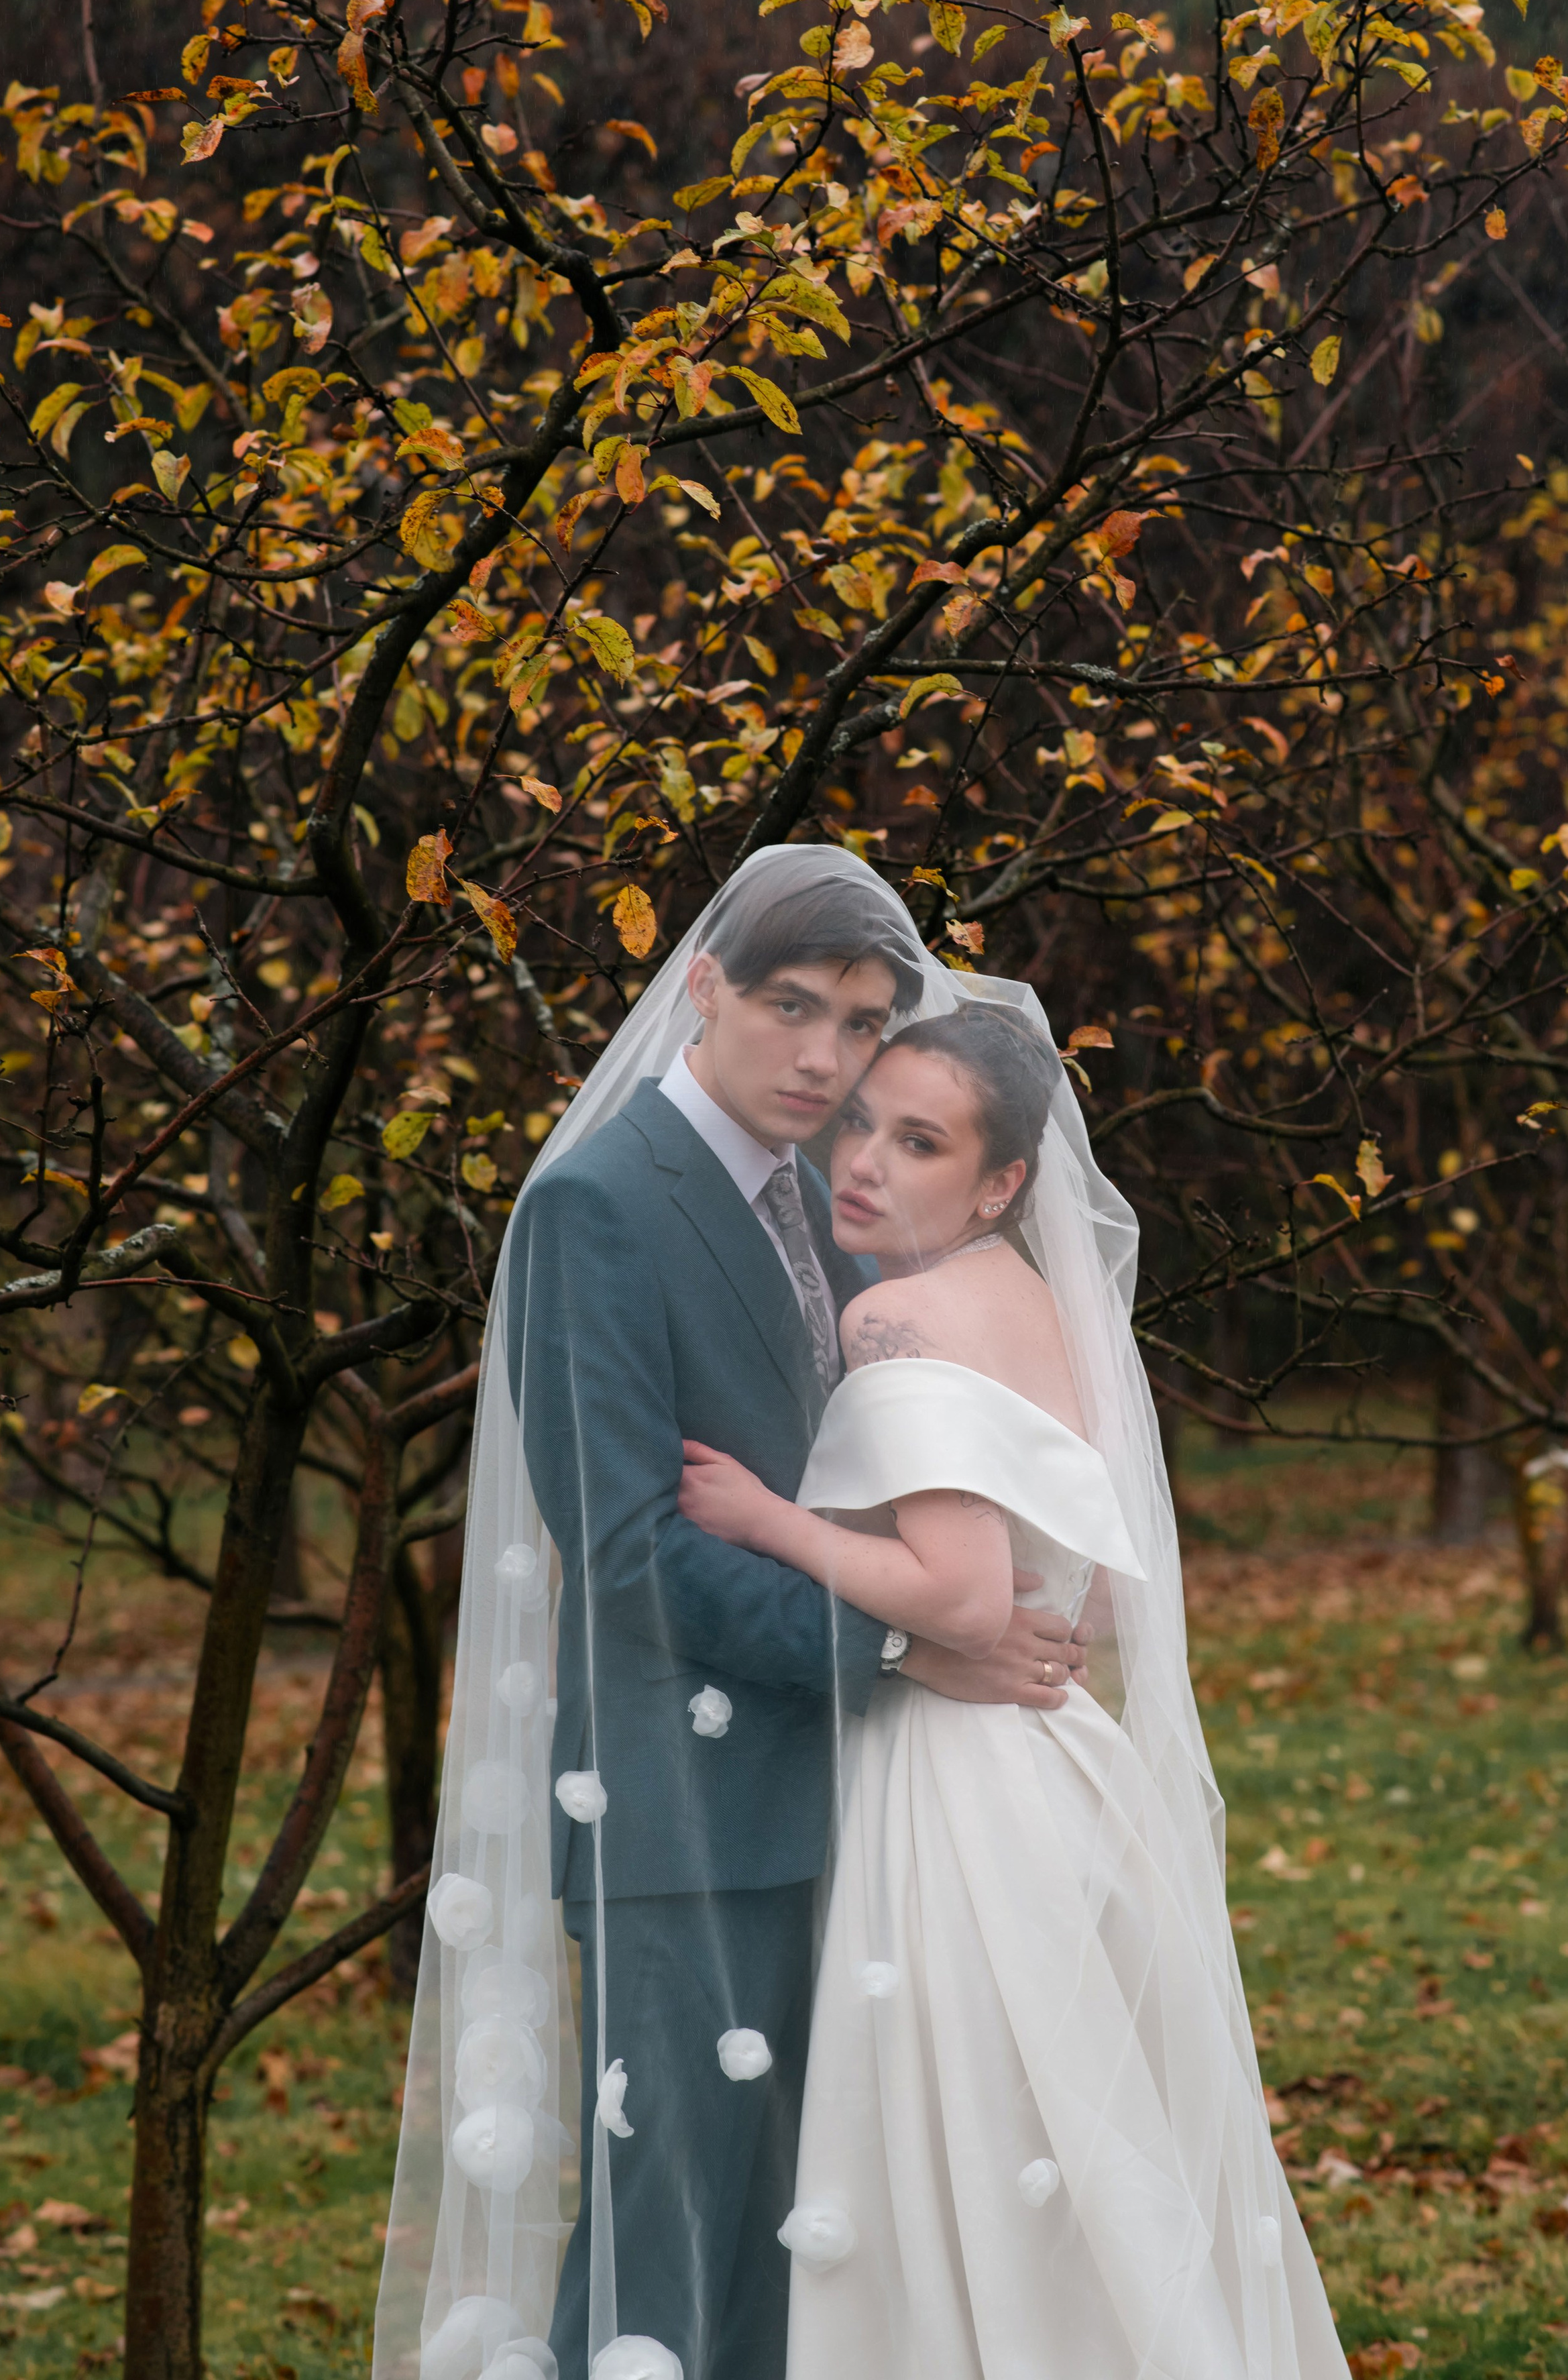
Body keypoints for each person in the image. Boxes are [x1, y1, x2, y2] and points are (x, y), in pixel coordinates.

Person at [372, 851, 1092, 2380]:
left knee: (806, 2240)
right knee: (667, 2236)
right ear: (699, 985)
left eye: (858, 1020)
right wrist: (908, 1648)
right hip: (681, 1810)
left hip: (862, 1808)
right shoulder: (597, 1204)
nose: (825, 1057)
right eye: (789, 1008)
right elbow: (629, 1553)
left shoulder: (829, 1200)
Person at [679, 1000, 1350, 2380]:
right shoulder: (1042, 1304)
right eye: (858, 1120)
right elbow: (1089, 1595)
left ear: (996, 1183)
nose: (861, 1161)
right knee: (1077, 2154)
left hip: (957, 1775)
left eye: (917, 1142)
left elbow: (968, 1598)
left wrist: (769, 1518)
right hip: (1062, 1762)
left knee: (962, 2139)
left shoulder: (893, 1315)